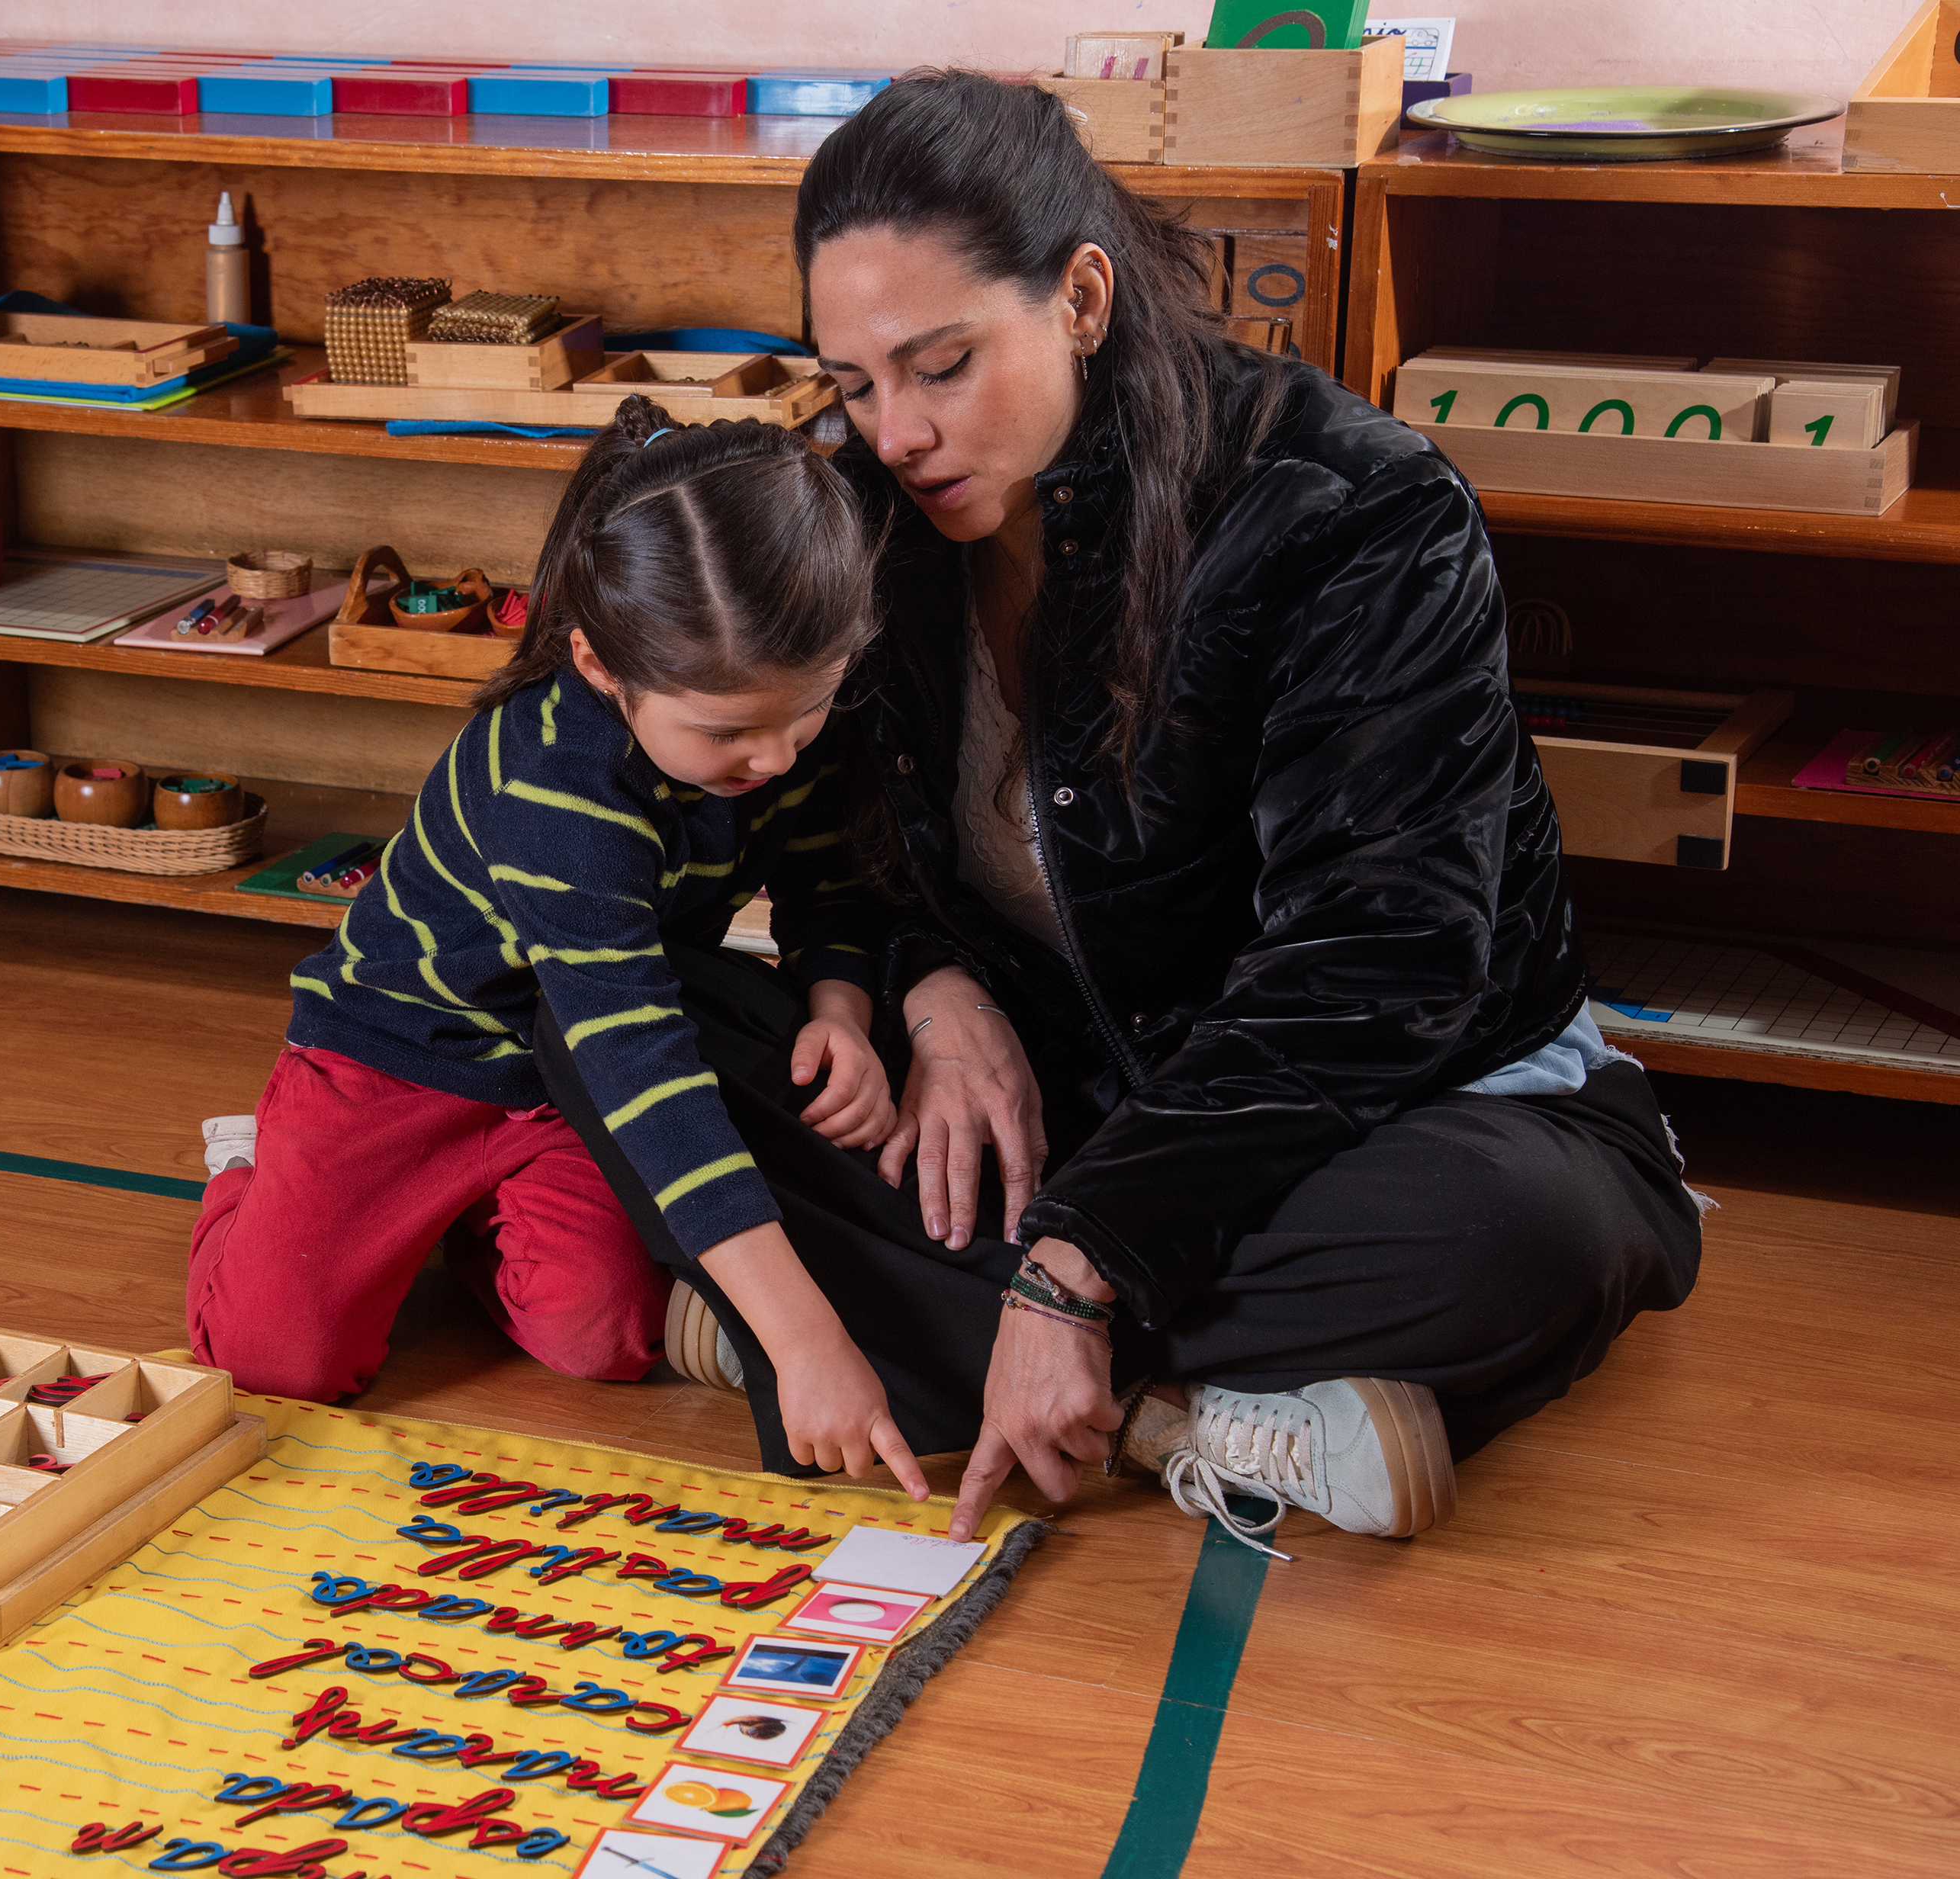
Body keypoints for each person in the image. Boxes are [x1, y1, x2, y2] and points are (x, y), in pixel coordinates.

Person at [544, 72, 1703, 1559]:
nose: (892, 432)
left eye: (943, 364)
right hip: (1059, 1093)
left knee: (1511, 1235)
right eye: (852, 382)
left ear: (1081, 296)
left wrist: (1078, 1259)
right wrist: (931, 986)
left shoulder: (1353, 510)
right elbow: (842, 842)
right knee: (614, 1017)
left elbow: (1381, 964)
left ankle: (903, 1336)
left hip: (1375, 1107)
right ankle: (1190, 1421)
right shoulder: (870, 516)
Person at [189, 396, 931, 1493]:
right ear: (598, 664)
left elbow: (833, 873)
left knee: (601, 1336)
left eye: (806, 713)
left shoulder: (775, 702)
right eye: (727, 733)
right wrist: (806, 1342)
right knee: (279, 1360)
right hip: (397, 1055)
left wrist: (841, 1010)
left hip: (555, 1067)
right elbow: (650, 1082)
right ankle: (251, 1165)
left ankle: (450, 1227)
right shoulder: (551, 786)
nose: (774, 756)